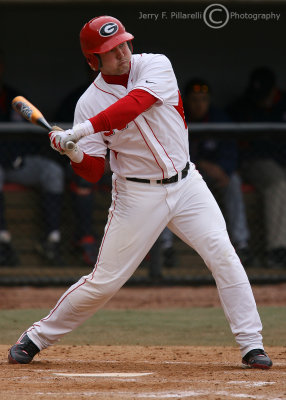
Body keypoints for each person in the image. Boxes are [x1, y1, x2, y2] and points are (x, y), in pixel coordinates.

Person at [8, 16, 272, 369]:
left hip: (187, 184)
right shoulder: (89, 102)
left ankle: (251, 345)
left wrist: (79, 131)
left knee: (223, 254)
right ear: (93, 61)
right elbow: (92, 171)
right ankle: (36, 337)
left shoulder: (156, 65)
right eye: (110, 50)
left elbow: (133, 104)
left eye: (123, 43)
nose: (122, 52)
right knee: (104, 282)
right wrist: (73, 151)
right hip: (136, 195)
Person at [0, 50, 64, 266]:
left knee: (52, 172)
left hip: (18, 163)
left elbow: (29, 135)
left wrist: (18, 155)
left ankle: (52, 240)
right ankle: (3, 240)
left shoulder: (13, 97)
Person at [184, 78, 251, 264]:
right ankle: (165, 248)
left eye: (203, 99)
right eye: (194, 99)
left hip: (213, 175)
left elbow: (231, 152)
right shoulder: (176, 116)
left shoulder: (219, 118)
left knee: (234, 181)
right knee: (163, 187)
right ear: (187, 101)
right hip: (184, 178)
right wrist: (201, 164)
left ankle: (241, 241)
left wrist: (225, 170)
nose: (199, 104)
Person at [228, 67, 286, 268]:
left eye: (265, 94)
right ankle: (278, 250)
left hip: (280, 161)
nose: (260, 99)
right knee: (278, 183)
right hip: (256, 162)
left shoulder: (283, 103)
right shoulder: (242, 107)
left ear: (274, 91)